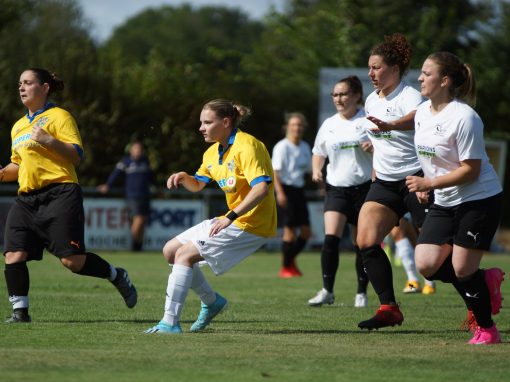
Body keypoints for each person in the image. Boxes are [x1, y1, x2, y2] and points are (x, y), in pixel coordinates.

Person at [1, 68, 137, 323]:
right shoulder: (18, 126)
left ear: (44, 88)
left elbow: (76, 155)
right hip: (27, 198)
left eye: (28, 83)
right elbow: (17, 167)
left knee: (72, 261)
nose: (21, 88)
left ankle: (116, 275)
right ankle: (20, 312)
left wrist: (48, 140)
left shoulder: (59, 116)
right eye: (20, 83)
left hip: (60, 192)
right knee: (13, 254)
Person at [144, 99, 277, 334]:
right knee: (170, 251)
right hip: (232, 218)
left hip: (252, 223)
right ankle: (212, 301)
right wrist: (184, 177)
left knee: (184, 255)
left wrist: (230, 216)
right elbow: (197, 186)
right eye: (201, 123)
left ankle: (170, 322)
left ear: (226, 122)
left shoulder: (248, 146)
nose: (201, 128)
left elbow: (261, 188)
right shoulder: (212, 152)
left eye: (207, 122)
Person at [406, 52, 504, 345]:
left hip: (479, 199)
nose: (420, 78)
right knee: (425, 263)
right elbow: (430, 155)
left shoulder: (465, 117)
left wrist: (430, 182)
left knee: (462, 269)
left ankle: (487, 329)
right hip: (445, 199)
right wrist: (426, 183)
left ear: (444, 80)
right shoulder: (423, 112)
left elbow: (471, 170)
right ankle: (485, 280)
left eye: (426, 73)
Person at [356, 33, 429, 329]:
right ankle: (389, 308)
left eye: (377, 67)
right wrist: (375, 163)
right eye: (370, 68)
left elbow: (417, 118)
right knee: (366, 241)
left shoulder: (409, 94)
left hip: (418, 178)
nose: (370, 74)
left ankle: (480, 295)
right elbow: (381, 141)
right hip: (385, 182)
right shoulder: (372, 100)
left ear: (395, 69)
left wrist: (392, 124)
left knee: (434, 259)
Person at [306, 76, 373, 309]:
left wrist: (374, 147)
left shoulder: (368, 120)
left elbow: (389, 149)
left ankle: (361, 292)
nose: (338, 99)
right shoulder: (329, 124)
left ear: (356, 96)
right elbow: (318, 151)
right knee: (330, 238)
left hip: (364, 189)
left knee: (361, 243)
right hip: (336, 188)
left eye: (343, 94)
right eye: (335, 95)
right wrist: (316, 170)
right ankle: (327, 291)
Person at [271, 112, 312, 278]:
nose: (297, 128)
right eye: (294, 124)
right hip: (285, 190)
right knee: (289, 231)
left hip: (299, 191)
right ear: (288, 127)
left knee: (306, 232)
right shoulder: (282, 146)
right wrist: (279, 193)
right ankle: (285, 268)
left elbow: (310, 171)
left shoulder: (305, 147)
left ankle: (290, 261)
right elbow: (275, 172)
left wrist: (323, 183)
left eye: (300, 125)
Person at [98, 141, 153, 252]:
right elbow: (116, 174)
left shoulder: (145, 162)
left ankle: (139, 247)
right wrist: (108, 185)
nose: (138, 151)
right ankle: (134, 244)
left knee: (143, 222)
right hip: (133, 196)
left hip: (145, 195)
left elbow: (150, 178)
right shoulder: (126, 162)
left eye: (139, 149)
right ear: (131, 150)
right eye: (136, 149)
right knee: (139, 219)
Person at [390, 217, 436, 294]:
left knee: (420, 236)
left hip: (417, 205)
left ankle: (429, 281)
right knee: (397, 232)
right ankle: (413, 281)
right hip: (401, 205)